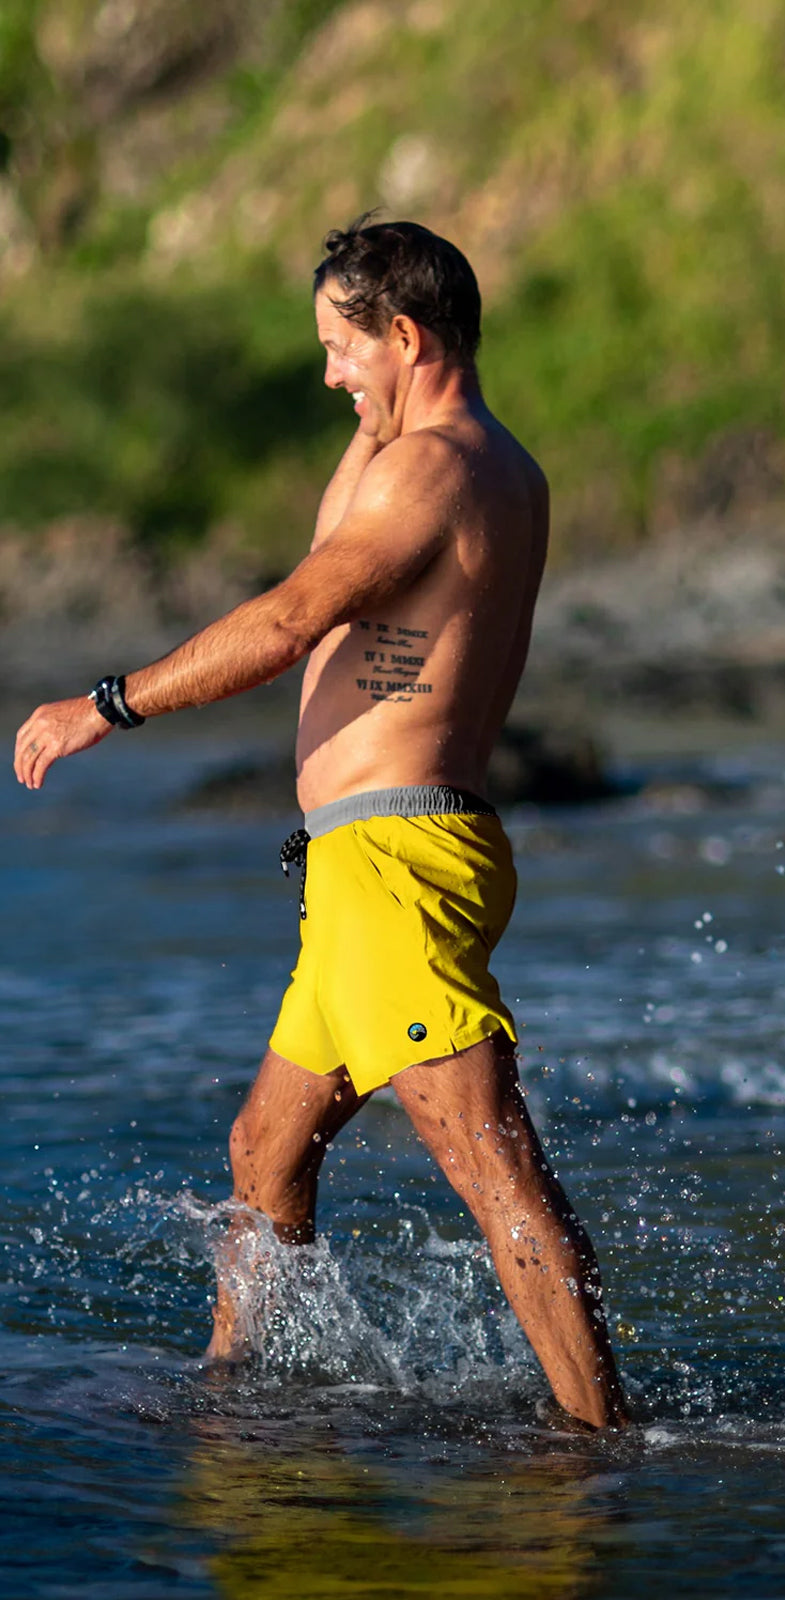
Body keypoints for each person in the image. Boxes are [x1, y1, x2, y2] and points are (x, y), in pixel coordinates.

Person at [13, 215, 627, 1431]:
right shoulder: (457, 455)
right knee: (265, 1153)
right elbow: (338, 537)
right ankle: (240, 1400)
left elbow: (295, 616)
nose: (330, 375)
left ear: (405, 335)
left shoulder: (435, 469)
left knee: (490, 1161)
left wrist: (108, 702)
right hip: (368, 863)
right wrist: (371, 411)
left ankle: (607, 1447)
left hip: (395, 862)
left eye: (343, 349)